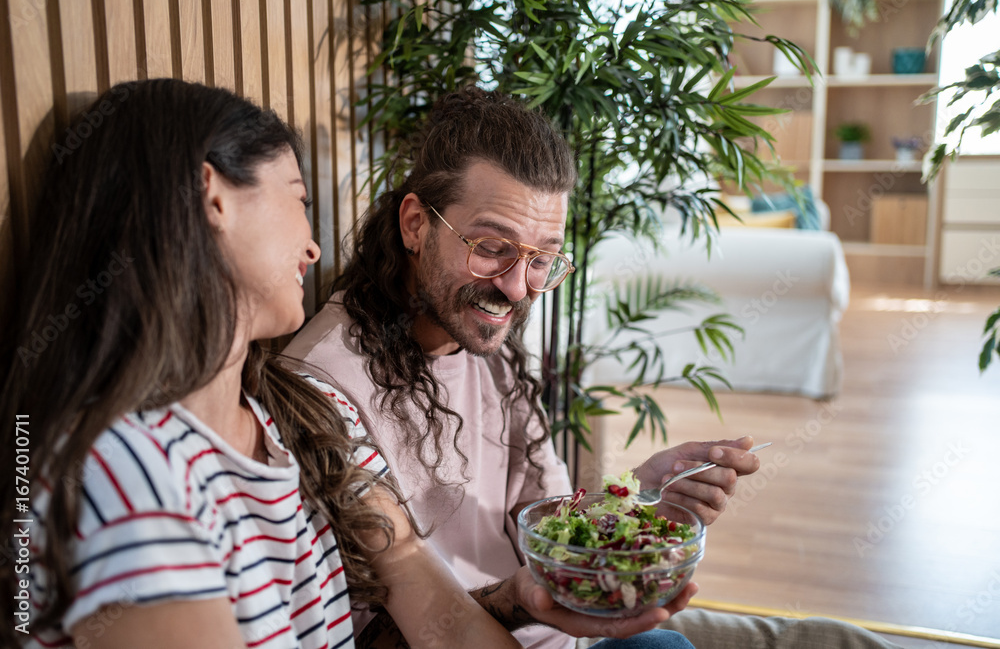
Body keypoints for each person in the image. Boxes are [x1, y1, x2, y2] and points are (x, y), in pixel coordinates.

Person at [284, 86, 903, 649]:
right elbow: (375, 638)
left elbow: (551, 525)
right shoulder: (323, 387)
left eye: (542, 260)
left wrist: (638, 500)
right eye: (493, 248)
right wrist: (522, 598)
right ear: (416, 224)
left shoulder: (482, 341)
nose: (519, 289)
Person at [0, 79, 528, 649]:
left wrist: (519, 599)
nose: (314, 248)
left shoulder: (302, 410)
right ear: (213, 197)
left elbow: (430, 605)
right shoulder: (123, 472)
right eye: (300, 200)